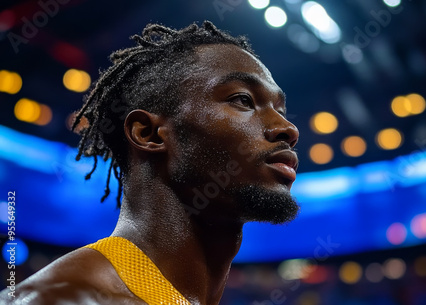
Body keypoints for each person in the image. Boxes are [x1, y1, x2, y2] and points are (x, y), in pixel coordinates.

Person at [0, 21, 299, 305]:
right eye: (243, 100)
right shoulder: (63, 299)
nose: (288, 129)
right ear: (149, 133)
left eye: (281, 109)